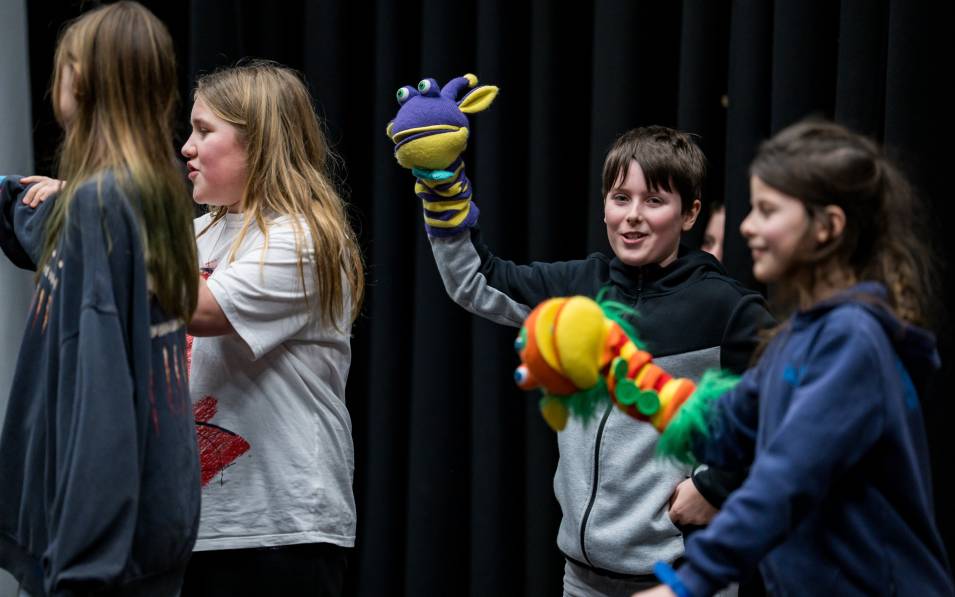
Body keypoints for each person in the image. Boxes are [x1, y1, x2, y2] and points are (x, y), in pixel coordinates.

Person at [394, 112, 773, 594]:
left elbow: (789, 410)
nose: (633, 215)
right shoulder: (579, 287)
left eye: (654, 200)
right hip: (581, 579)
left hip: (682, 576)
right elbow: (476, 280)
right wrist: (443, 191)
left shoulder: (725, 307)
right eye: (621, 198)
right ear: (604, 207)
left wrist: (716, 485)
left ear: (689, 214)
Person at [637, 120, 955, 597]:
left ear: (827, 226)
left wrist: (686, 584)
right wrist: (623, 373)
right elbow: (726, 428)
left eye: (767, 210)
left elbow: (782, 481)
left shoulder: (852, 341)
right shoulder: (796, 337)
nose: (746, 226)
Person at [0, 3, 200, 595]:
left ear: (83, 82)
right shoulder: (152, 193)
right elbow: (45, 228)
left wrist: (83, 566)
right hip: (144, 529)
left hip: (95, 556)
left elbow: (102, 393)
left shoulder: (102, 205)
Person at [178, 61, 365, 597]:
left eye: (204, 130)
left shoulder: (304, 239)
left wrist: (103, 219)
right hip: (192, 527)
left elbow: (199, 309)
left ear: (258, 142)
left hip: (278, 533)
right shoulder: (194, 235)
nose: (187, 148)